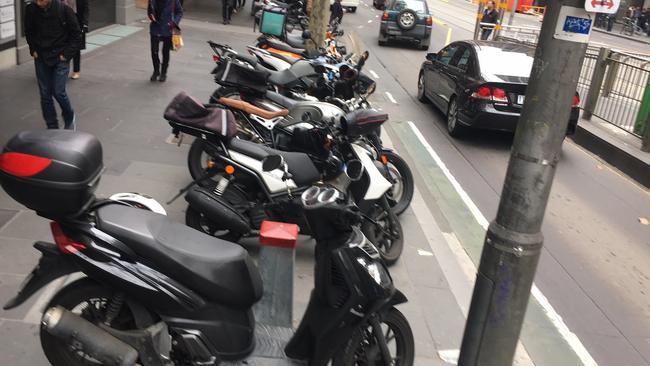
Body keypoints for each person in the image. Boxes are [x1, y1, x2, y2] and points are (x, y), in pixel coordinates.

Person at [25, 0, 81, 130]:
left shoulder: (64, 10)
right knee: (45, 94)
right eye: (36, 0)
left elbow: (76, 35)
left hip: (60, 56)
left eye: (42, 0)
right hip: (41, 56)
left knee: (58, 91)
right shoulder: (31, 9)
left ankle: (69, 117)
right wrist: (33, 49)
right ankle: (52, 127)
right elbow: (29, 31)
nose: (39, 3)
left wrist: (66, 55)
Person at [147, 0, 183, 82]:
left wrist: (174, 22)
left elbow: (179, 12)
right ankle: (156, 71)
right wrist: (151, 16)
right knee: (154, 51)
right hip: (155, 28)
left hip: (167, 29)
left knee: (165, 52)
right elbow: (149, 11)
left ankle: (163, 73)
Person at [63, 0, 89, 80]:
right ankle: (62, 70)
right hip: (63, 21)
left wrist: (85, 24)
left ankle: (76, 71)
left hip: (77, 21)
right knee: (63, 45)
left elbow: (86, 9)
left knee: (76, 47)